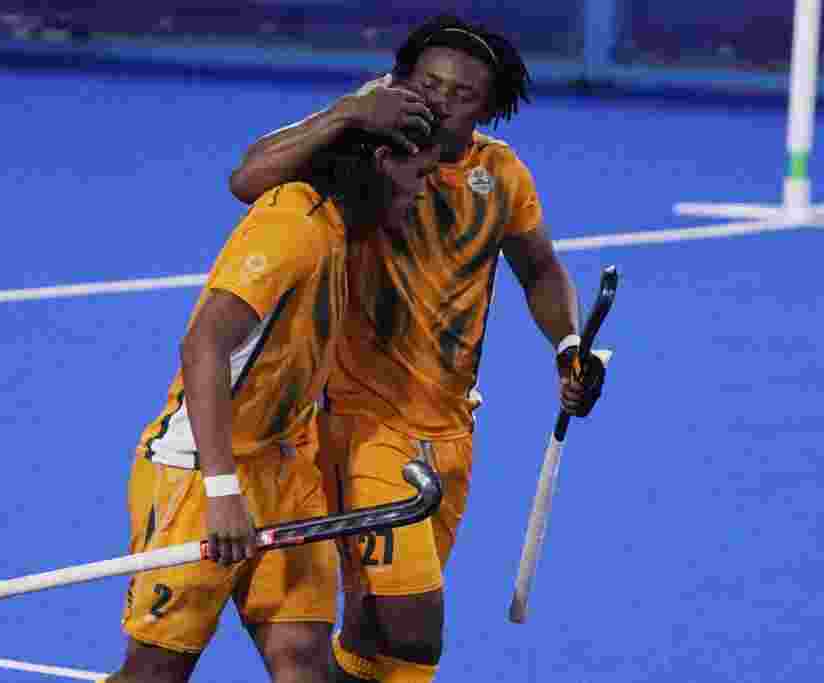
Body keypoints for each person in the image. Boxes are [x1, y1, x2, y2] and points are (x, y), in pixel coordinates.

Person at [229, 15, 607, 683]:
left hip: (452, 430)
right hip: (364, 428)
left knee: (376, 636)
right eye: (425, 83)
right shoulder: (365, 153)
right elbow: (248, 175)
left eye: (459, 94)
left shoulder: (502, 177)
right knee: (415, 624)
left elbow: (541, 268)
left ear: (488, 108)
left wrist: (568, 345)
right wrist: (346, 112)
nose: (437, 99)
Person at [105, 117, 442, 683]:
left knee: (304, 666)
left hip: (286, 465)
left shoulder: (342, 227)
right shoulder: (293, 224)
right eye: (421, 173)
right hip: (200, 473)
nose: (425, 190)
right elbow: (203, 344)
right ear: (382, 161)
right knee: (155, 674)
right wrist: (223, 491)